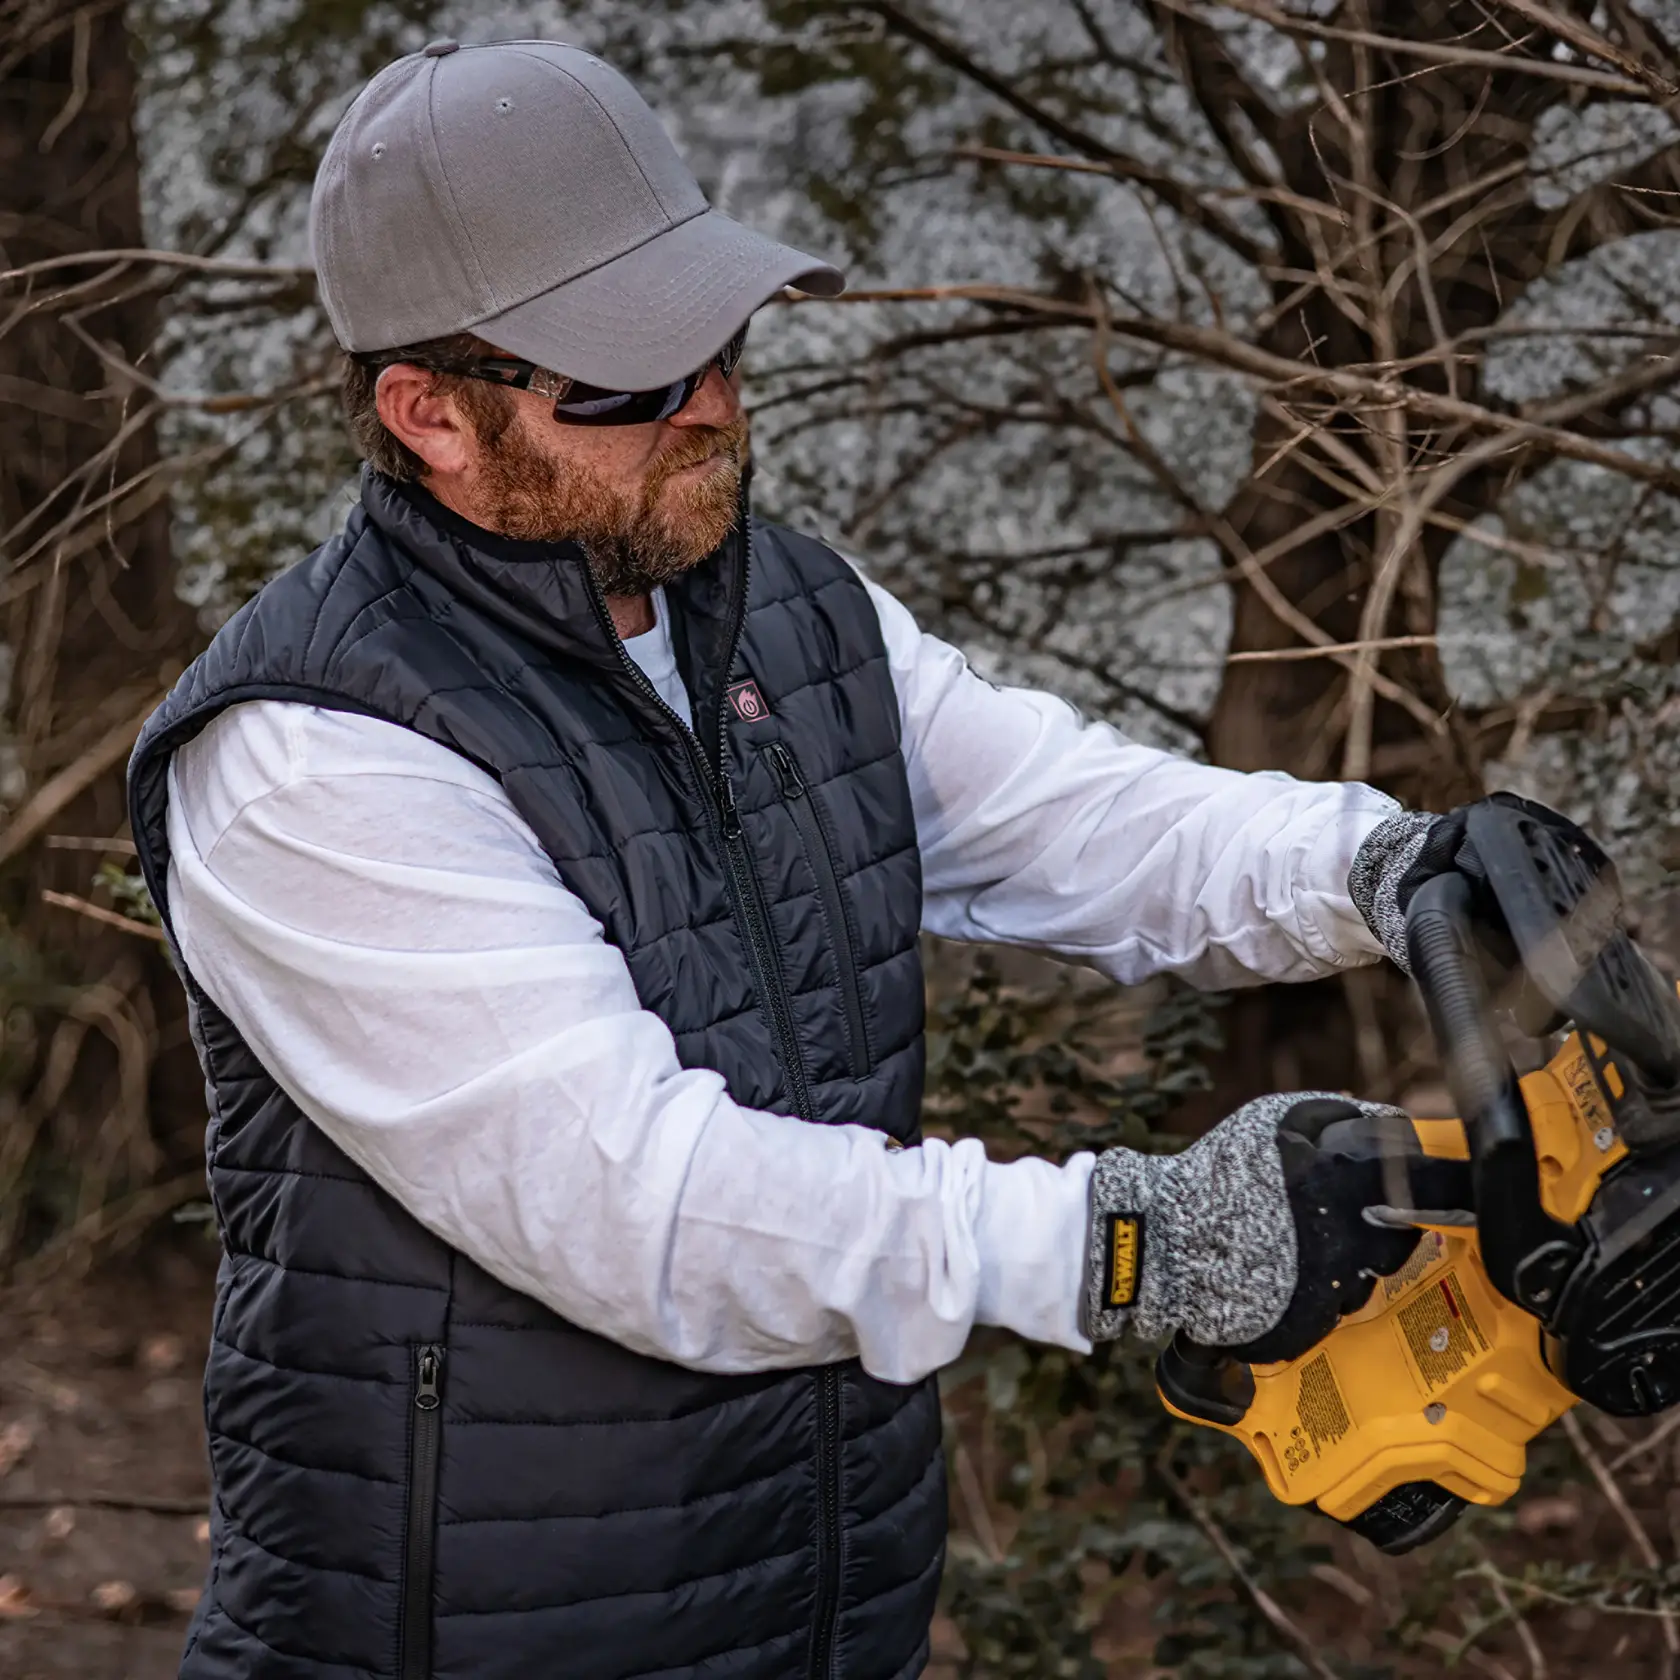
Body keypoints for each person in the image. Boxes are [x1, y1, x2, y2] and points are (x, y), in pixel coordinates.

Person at [126, 38, 1585, 1680]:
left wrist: (1389, 868)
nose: (715, 410)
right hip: (459, 1639)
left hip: (825, 1610)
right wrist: (1130, 1238)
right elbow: (651, 1210)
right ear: (431, 416)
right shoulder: (308, 759)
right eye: (631, 380)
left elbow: (1077, 823)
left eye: (721, 342)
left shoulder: (785, 611)